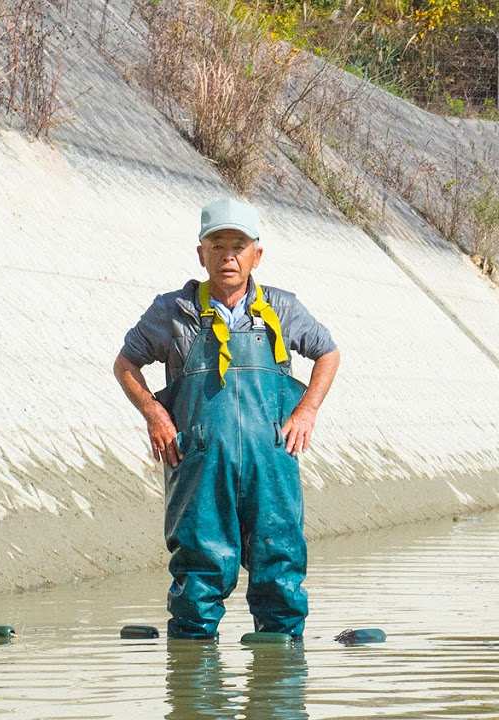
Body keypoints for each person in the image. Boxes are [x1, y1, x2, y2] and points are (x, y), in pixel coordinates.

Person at [113, 197, 340, 640]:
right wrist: (154, 413)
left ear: (257, 253)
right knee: (197, 581)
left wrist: (307, 410)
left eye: (239, 245)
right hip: (198, 467)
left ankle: (279, 676)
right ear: (202, 253)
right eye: (218, 245)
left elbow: (327, 353)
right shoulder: (172, 311)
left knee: (280, 573)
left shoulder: (283, 308)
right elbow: (125, 364)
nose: (228, 256)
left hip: (271, 465)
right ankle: (194, 680)